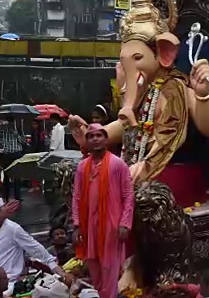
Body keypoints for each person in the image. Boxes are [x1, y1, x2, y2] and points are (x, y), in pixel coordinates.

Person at [72, 123, 135, 298]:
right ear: (87, 141)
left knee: (109, 266)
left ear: (106, 140)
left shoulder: (118, 164)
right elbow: (76, 197)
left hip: (111, 225)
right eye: (91, 136)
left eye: (99, 135)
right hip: (89, 225)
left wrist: (124, 223)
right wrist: (77, 224)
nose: (95, 139)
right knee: (93, 265)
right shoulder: (82, 167)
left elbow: (128, 195)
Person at [0, 198, 65, 293]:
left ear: (4, 210)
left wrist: (51, 263)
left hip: (2, 282)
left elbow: (33, 246)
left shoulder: (12, 228)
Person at [0, 118, 26, 201]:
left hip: (17, 154)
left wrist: (17, 134)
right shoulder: (2, 131)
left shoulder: (18, 130)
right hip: (7, 154)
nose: (11, 125)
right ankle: (6, 196)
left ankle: (17, 196)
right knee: (6, 175)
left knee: (17, 175)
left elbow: (23, 141)